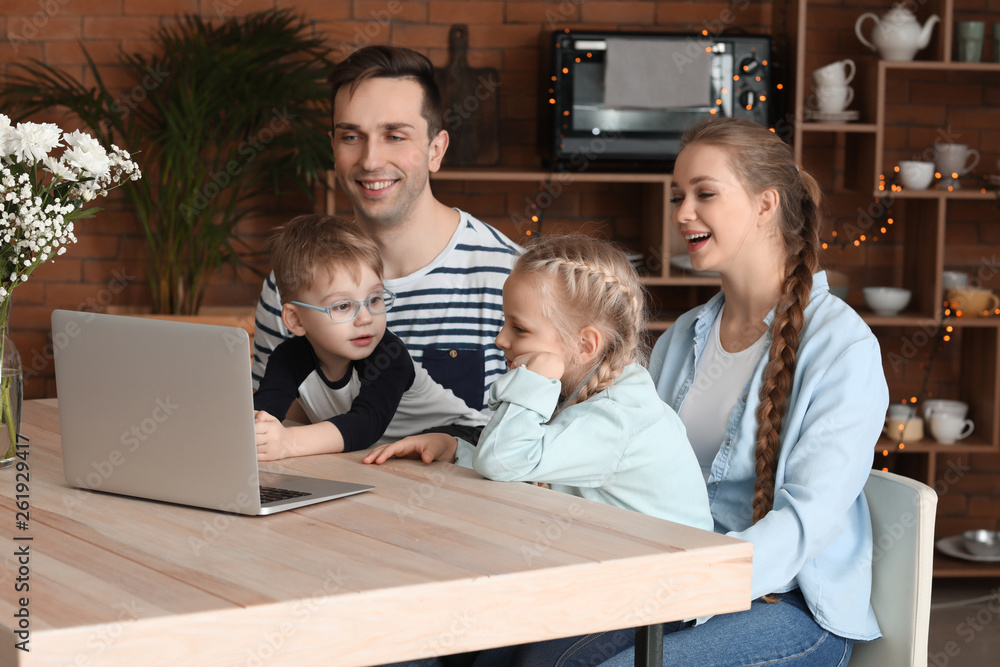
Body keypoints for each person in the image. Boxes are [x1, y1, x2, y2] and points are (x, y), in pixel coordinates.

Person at [505, 118, 889, 667]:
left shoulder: (843, 347)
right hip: (673, 582)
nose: (683, 213)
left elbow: (808, 520)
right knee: (510, 650)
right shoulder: (684, 335)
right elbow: (619, 461)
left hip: (788, 606)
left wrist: (694, 584)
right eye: (678, 196)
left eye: (705, 194)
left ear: (765, 205)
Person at [366, 234, 713, 530]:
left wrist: (533, 379)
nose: (501, 339)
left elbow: (502, 461)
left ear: (584, 346)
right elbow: (528, 463)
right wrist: (455, 450)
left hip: (671, 592)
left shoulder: (615, 417)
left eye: (519, 328)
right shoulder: (589, 390)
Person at [252, 45, 520, 412]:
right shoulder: (292, 281)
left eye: (394, 136)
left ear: (435, 150)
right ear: (333, 148)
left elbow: (537, 448)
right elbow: (269, 429)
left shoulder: (511, 277)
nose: (370, 160)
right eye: (351, 137)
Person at [253, 214, 488, 460]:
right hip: (386, 458)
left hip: (464, 441)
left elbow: (365, 425)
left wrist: (288, 442)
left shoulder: (388, 354)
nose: (365, 318)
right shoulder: (288, 357)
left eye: (374, 299)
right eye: (343, 306)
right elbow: (266, 409)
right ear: (296, 320)